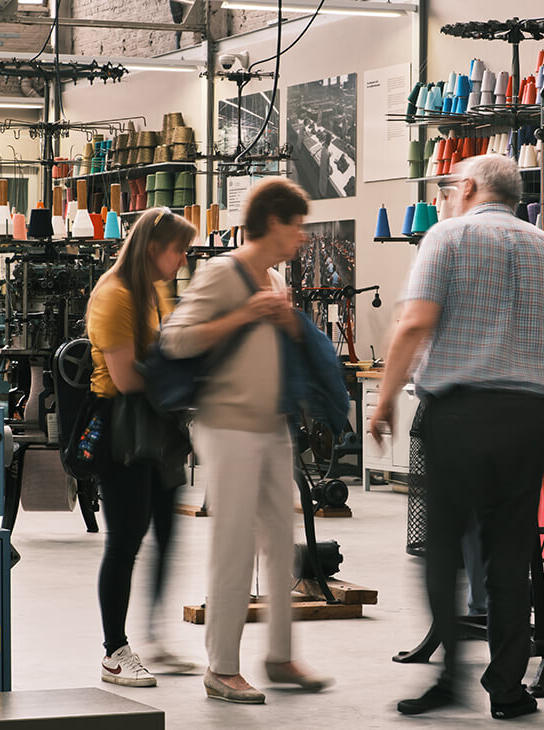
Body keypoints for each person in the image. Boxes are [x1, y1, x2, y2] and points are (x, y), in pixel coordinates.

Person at [370, 154, 544, 719]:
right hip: (527, 417)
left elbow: (416, 322)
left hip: (458, 413)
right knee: (510, 552)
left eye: (451, 187)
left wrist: (384, 398)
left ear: (470, 187)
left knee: (443, 548)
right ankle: (506, 688)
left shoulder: (446, 237)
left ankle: (450, 677)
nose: (447, 196)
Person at [159, 177, 332, 704]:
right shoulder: (221, 272)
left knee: (282, 546)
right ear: (274, 223)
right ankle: (222, 667)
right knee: (233, 545)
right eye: (297, 225)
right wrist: (246, 315)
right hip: (227, 425)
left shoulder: (276, 278)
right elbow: (175, 338)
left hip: (271, 426)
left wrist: (291, 324)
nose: (302, 236)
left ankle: (280, 656)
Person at [87, 208, 196, 687]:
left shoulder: (153, 291)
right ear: (155, 248)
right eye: (180, 250)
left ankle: (154, 636)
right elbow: (129, 376)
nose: (183, 259)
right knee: (125, 541)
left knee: (168, 532)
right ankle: (115, 650)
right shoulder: (113, 295)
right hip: (122, 430)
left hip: (155, 426)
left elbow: (170, 349)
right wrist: (185, 383)